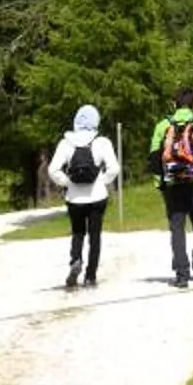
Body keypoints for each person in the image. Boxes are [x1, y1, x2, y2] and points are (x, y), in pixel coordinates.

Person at [148, 86, 193, 288]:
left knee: (177, 228)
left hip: (173, 184)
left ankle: (181, 273)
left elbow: (154, 158)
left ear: (174, 104)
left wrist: (160, 182)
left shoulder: (162, 126)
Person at [48, 104, 120, 291]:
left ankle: (75, 260)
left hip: (74, 198)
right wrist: (101, 182)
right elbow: (114, 168)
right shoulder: (102, 142)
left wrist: (67, 183)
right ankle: (90, 276)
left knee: (78, 233)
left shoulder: (66, 142)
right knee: (95, 236)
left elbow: (53, 170)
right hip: (97, 198)